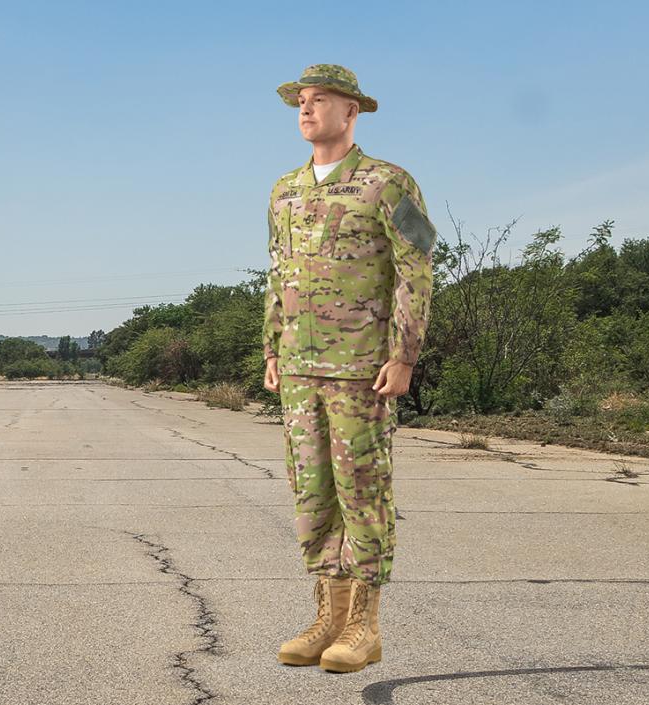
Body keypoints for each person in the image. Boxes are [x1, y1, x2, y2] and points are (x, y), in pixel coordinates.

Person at [263, 64, 436, 673]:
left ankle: (364, 624)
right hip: (300, 365)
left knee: (363, 491)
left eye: (319, 101)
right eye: (301, 103)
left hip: (362, 366)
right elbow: (276, 273)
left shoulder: (389, 183)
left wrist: (404, 354)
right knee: (311, 494)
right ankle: (327, 617)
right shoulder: (284, 189)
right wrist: (271, 350)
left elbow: (416, 270)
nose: (306, 111)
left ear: (351, 111)